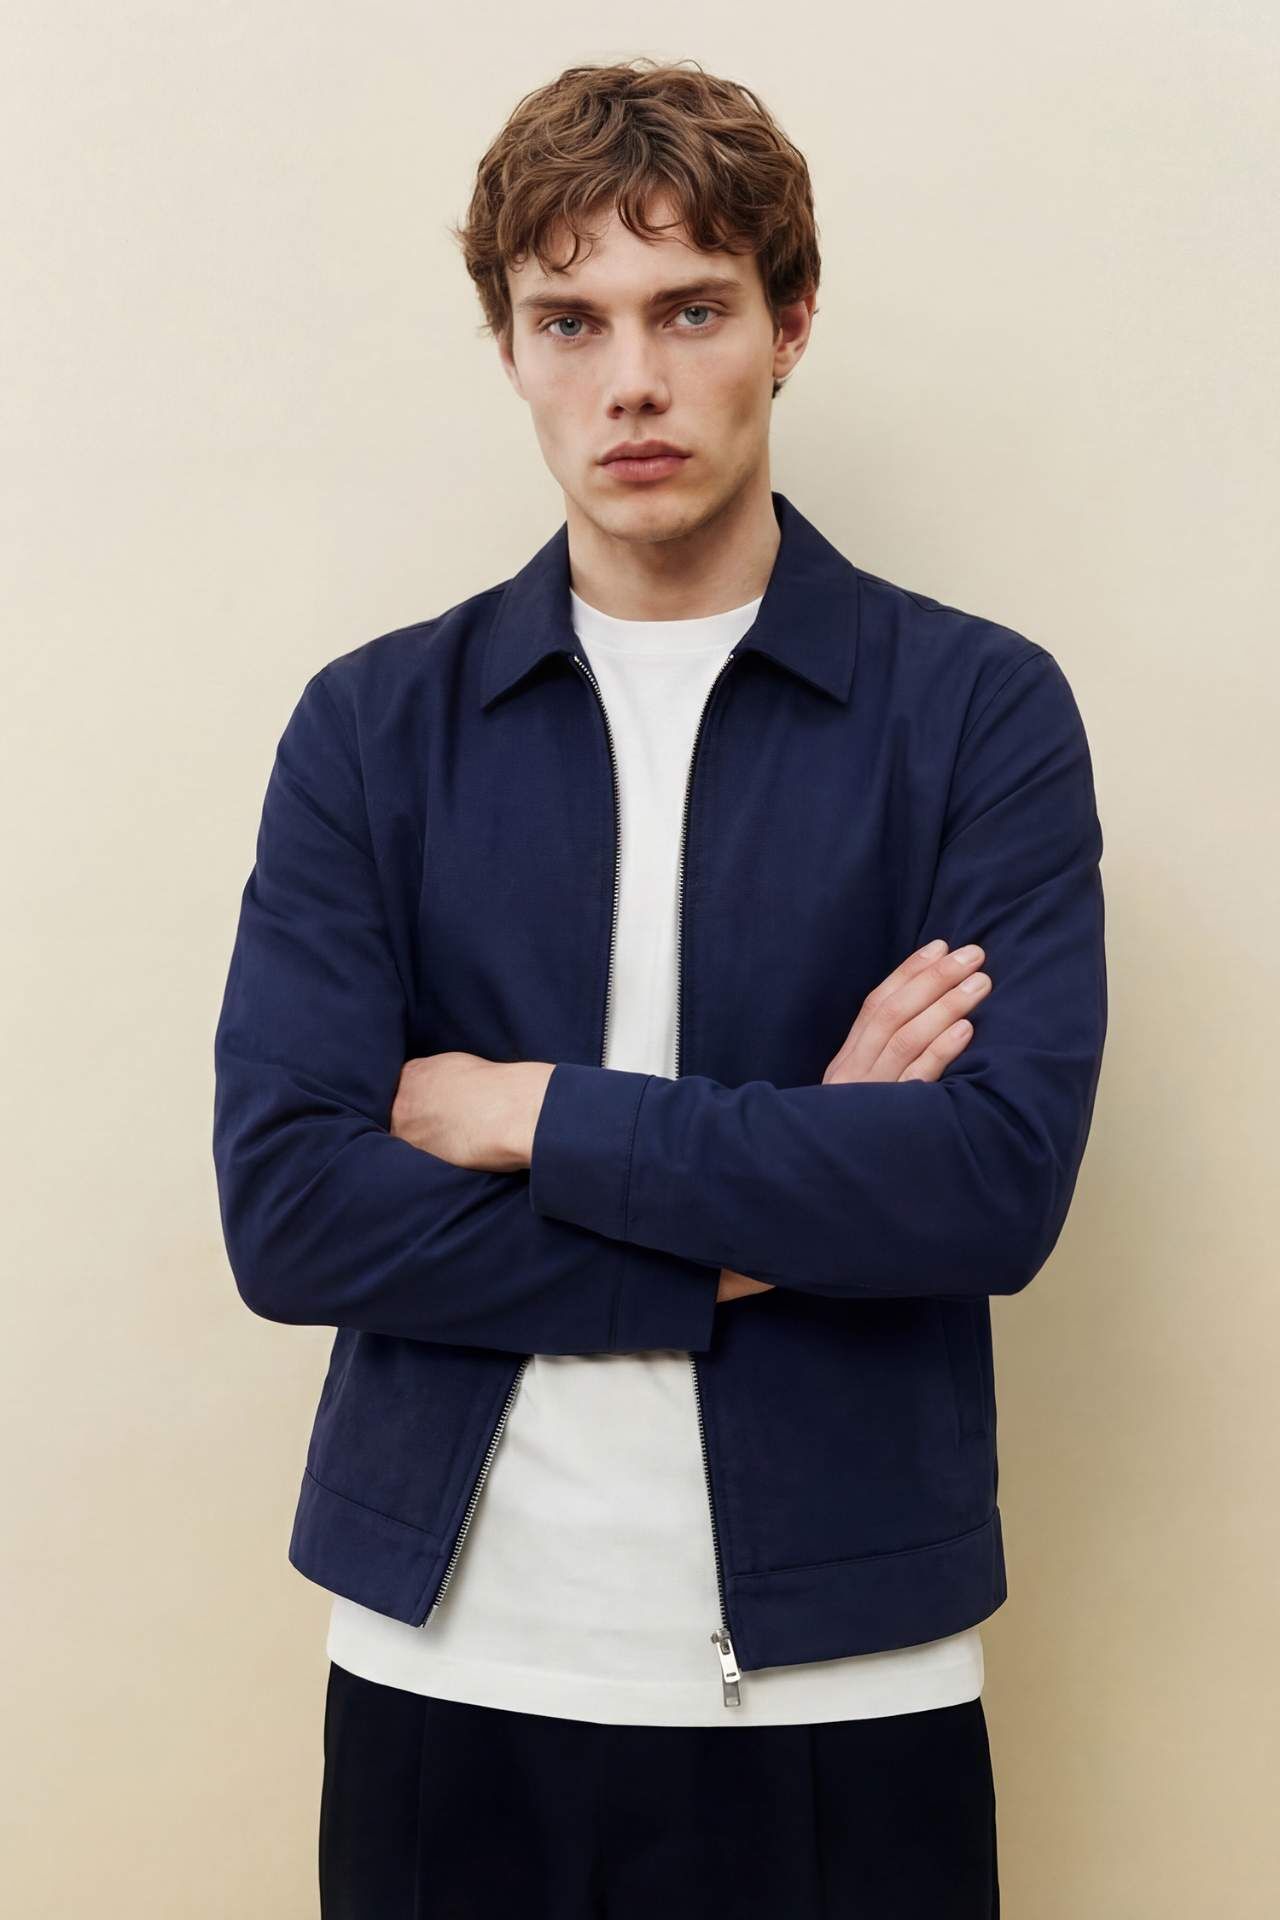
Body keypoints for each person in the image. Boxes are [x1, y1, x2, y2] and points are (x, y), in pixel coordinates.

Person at [213, 55, 1107, 1919]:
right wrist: (766, 1218)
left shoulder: (975, 713)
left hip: (849, 1681)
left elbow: (987, 1187)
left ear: (790, 323)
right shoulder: (374, 728)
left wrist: (523, 1111)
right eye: (572, 321)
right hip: (448, 1670)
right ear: (511, 345)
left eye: (691, 309)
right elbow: (293, 1217)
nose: (630, 379)